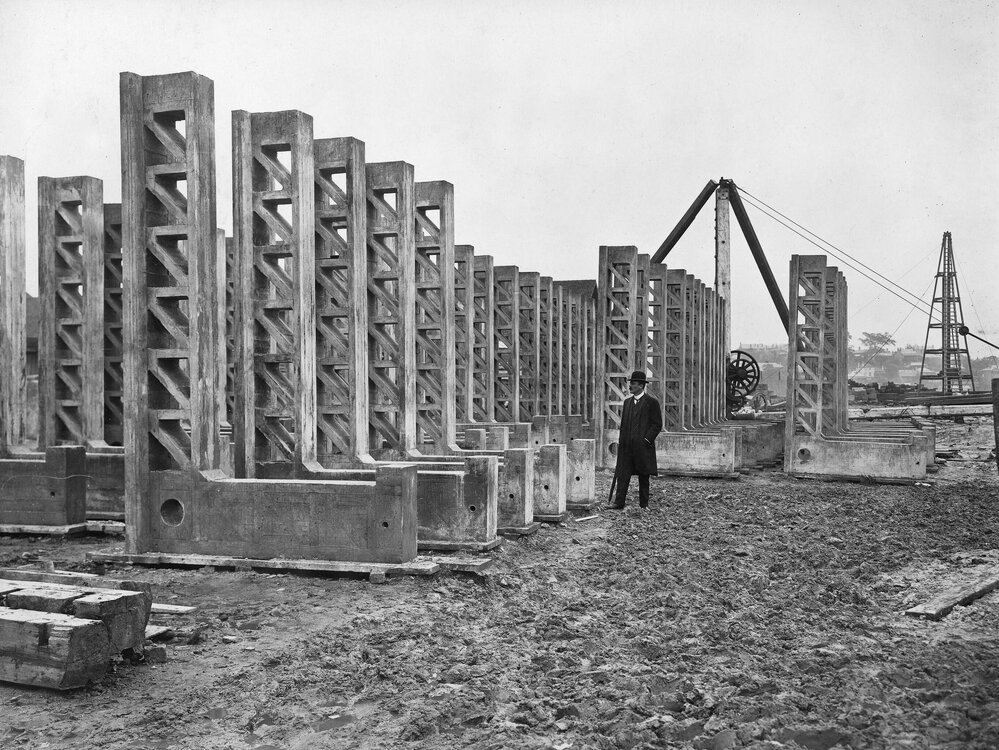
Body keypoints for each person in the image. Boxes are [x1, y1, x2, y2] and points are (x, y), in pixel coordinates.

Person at [608, 370, 663, 509]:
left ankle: (644, 505)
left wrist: (646, 440)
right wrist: (622, 443)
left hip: (643, 447)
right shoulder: (627, 403)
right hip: (627, 447)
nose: (630, 386)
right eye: (630, 383)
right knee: (623, 474)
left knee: (644, 476)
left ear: (641, 386)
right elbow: (624, 425)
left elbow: (657, 425)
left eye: (633, 383)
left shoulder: (652, 403)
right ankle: (618, 503)